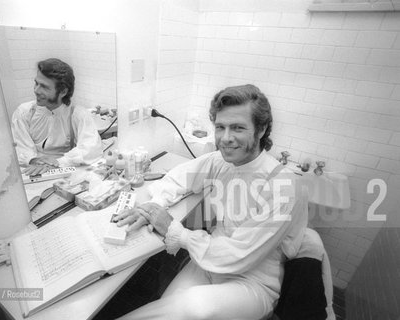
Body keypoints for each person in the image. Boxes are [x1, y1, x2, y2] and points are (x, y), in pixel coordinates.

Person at [115, 84, 308, 320]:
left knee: (193, 306)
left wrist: (175, 230)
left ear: (261, 129)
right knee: (169, 307)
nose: (225, 138)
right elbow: (179, 178)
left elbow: (239, 255)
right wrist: (153, 207)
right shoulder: (221, 161)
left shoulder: (283, 186)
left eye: (237, 128)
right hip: (208, 261)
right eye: (220, 127)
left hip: (252, 281)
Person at [11, 58, 102, 176]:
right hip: (31, 172)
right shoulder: (24, 112)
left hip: (64, 172)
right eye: (36, 83)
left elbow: (91, 149)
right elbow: (20, 147)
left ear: (63, 92)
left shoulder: (78, 115)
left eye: (44, 86)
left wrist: (57, 163)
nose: (36, 90)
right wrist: (34, 161)